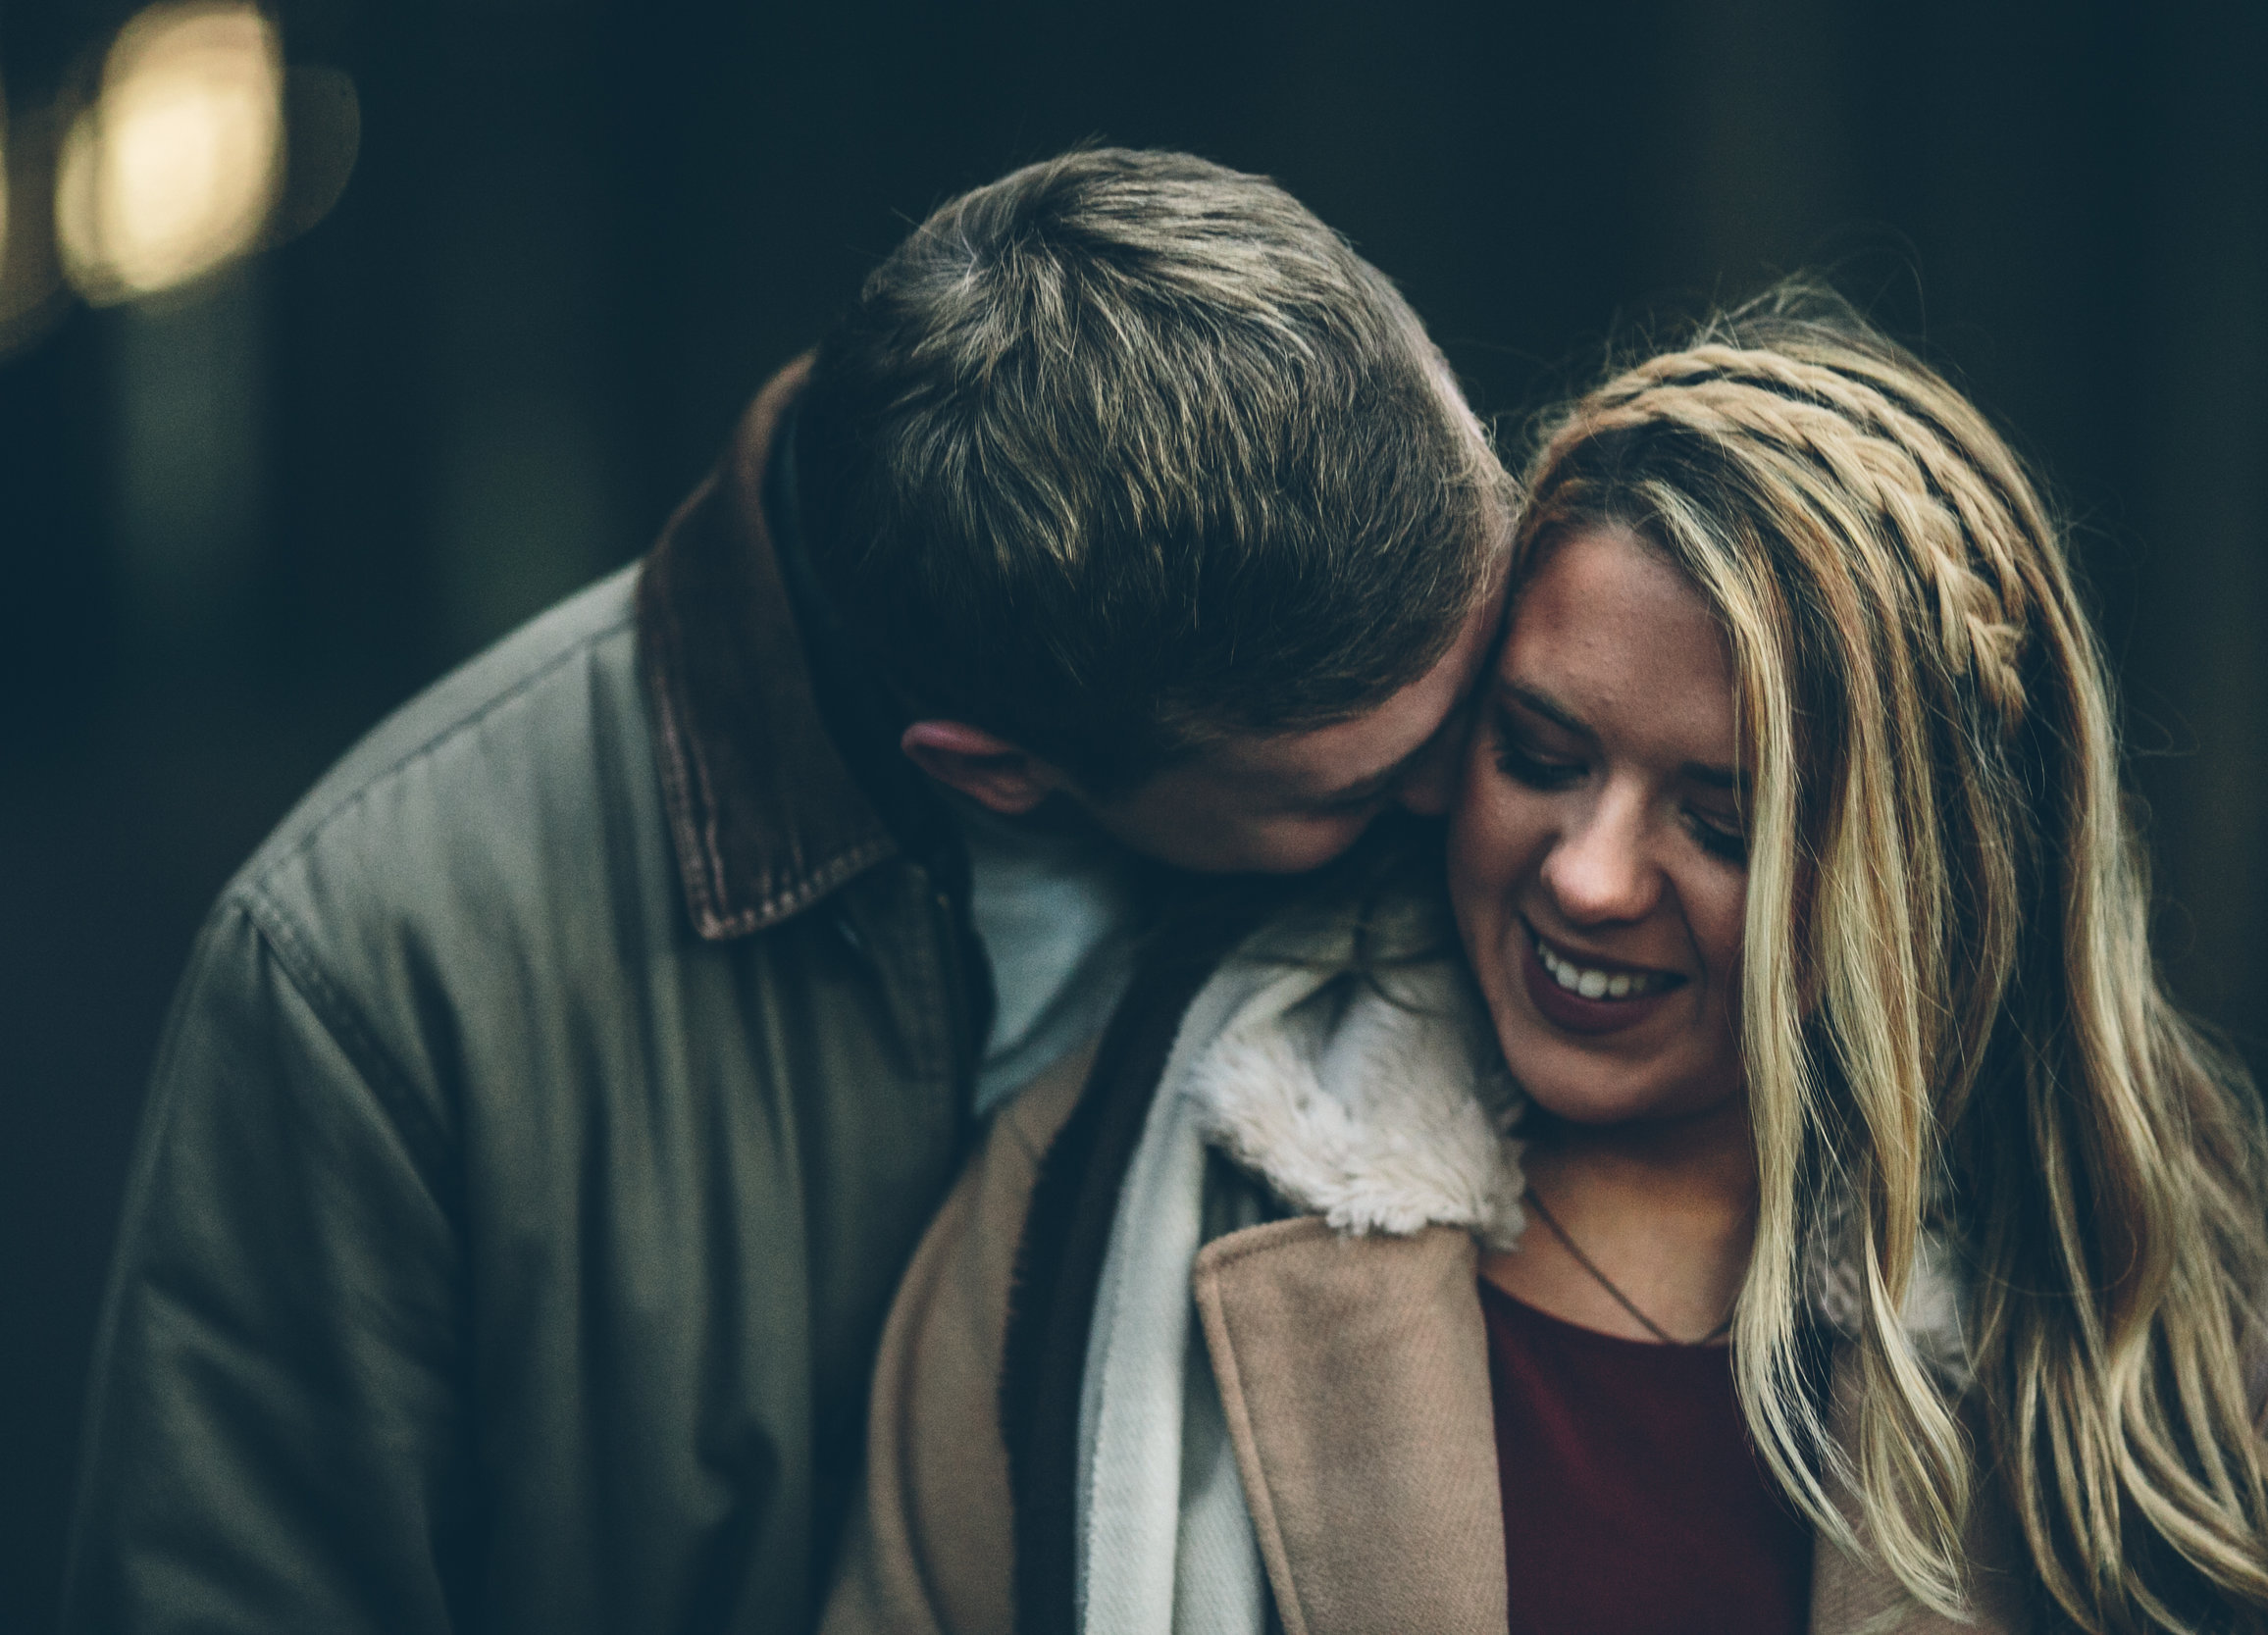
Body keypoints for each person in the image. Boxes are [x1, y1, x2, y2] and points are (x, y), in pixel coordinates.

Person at [60, 148, 1512, 1635]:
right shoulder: (372, 964)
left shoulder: (1515, 778)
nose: (1471, 796)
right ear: (994, 770)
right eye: (1351, 786)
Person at [827, 288, 2268, 1635]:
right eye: (1538, 751)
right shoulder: (1126, 1173)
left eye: (1727, 823)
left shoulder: (2123, 1311)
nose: (1586, 878)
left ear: (1925, 883)